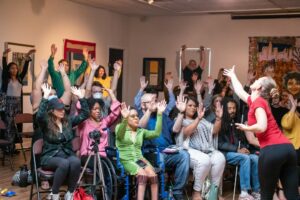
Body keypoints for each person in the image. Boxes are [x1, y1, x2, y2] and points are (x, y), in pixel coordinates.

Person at [223, 66, 298, 200]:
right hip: (288, 148)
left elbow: (262, 126)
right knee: (292, 194)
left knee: (266, 195)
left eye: (259, 79)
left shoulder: (258, 103)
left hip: (272, 150)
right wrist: (233, 75)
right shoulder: (258, 101)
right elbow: (240, 92)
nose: (256, 78)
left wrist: (247, 128)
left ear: (259, 88)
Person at [134, 77, 190, 200]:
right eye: (152, 101)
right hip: (149, 153)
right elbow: (140, 126)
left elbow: (175, 129)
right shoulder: (138, 116)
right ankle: (160, 192)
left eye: (156, 100)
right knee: (160, 157)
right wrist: (148, 110)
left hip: (167, 150)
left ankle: (177, 191)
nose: (156, 102)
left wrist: (181, 113)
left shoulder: (163, 115)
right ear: (143, 105)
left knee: (184, 155)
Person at [37, 83, 89, 200]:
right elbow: (39, 116)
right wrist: (45, 97)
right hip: (50, 156)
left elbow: (85, 114)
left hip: (66, 154)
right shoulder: (46, 122)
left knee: (75, 161)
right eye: (59, 109)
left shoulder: (68, 121)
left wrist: (81, 98)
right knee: (64, 163)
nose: (62, 111)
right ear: (52, 111)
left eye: (63, 109)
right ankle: (54, 194)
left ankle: (70, 193)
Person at [173, 96, 225, 200]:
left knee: (220, 158)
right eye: (190, 105)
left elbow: (214, 131)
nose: (193, 108)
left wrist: (218, 118)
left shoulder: (203, 120)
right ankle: (196, 192)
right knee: (204, 160)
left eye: (194, 106)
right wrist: (198, 119)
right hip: (189, 151)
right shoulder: (180, 120)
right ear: (184, 106)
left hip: (207, 150)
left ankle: (213, 193)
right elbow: (186, 132)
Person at [116, 101, 166, 200]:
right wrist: (125, 119)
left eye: (137, 116)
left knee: (153, 176)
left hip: (139, 160)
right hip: (126, 160)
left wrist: (159, 114)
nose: (136, 118)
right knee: (142, 175)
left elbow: (156, 133)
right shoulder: (120, 128)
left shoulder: (141, 131)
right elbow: (120, 134)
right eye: (132, 116)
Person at [218, 98, 260, 200]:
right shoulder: (219, 122)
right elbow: (219, 144)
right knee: (244, 158)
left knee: (255, 158)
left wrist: (244, 148)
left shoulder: (237, 122)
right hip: (224, 153)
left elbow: (241, 140)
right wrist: (237, 149)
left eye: (234, 108)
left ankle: (256, 191)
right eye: (229, 108)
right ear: (224, 109)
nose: (232, 110)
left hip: (238, 151)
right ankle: (244, 192)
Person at [2, 47, 35, 153]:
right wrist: (4, 56)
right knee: (8, 126)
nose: (14, 70)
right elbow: (4, 67)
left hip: (17, 104)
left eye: (15, 68)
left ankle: (13, 147)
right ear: (8, 69)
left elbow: (25, 69)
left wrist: (27, 56)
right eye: (12, 68)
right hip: (8, 105)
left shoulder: (20, 78)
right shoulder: (6, 79)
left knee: (15, 126)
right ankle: (7, 148)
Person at [78, 88, 120, 158]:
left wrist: (111, 93)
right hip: (87, 155)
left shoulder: (104, 122)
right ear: (89, 110)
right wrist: (81, 97)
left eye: (99, 109)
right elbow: (79, 108)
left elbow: (116, 112)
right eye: (95, 109)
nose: (98, 111)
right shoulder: (83, 123)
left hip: (104, 156)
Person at [281, 94, 300, 194]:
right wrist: (293, 107)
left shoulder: (298, 117)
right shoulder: (286, 116)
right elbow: (287, 125)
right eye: (289, 103)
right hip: (293, 149)